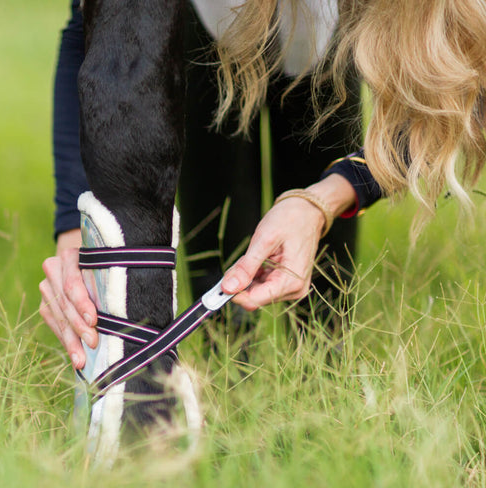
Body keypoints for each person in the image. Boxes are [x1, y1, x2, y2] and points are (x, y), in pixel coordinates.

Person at [43, 0, 480, 363]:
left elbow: (458, 100)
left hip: (327, 46)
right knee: (219, 264)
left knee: (324, 310)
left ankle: (322, 381)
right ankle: (230, 379)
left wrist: (323, 200)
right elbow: (93, 35)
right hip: (209, 40)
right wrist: (74, 232)